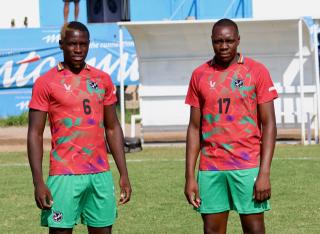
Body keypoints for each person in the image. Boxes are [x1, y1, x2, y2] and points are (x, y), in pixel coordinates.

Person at [27, 21, 131, 234]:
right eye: (72, 44)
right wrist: (38, 181)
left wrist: (123, 173)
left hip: (100, 174)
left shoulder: (102, 80)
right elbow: (35, 134)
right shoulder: (46, 82)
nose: (78, 49)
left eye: (83, 44)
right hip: (64, 174)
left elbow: (112, 128)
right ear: (61, 44)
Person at [184, 18, 278, 234]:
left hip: (247, 165)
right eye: (218, 41)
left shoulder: (257, 71)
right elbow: (194, 128)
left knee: (254, 229)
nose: (223, 46)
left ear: (238, 40)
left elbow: (269, 124)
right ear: (211, 41)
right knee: (212, 230)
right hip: (211, 168)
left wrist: (264, 172)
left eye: (229, 41)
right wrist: (190, 176)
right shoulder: (199, 74)